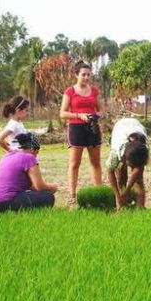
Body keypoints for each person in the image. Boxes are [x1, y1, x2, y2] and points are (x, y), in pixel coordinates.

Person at [59, 60, 106, 206]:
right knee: (74, 164)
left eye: (88, 75)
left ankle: (98, 193)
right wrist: (79, 115)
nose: (86, 77)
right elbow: (62, 113)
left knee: (96, 162)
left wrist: (96, 116)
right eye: (83, 74)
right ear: (76, 75)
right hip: (76, 129)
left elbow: (101, 110)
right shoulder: (70, 92)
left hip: (92, 128)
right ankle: (72, 195)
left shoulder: (95, 91)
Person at [0, 132, 57, 213]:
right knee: (48, 196)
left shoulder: (8, 156)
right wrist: (52, 188)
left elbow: (29, 186)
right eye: (37, 152)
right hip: (2, 203)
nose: (36, 155)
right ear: (32, 149)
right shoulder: (29, 157)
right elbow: (39, 186)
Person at [106, 117, 150, 209]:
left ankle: (140, 209)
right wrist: (118, 195)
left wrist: (127, 190)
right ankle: (121, 208)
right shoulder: (116, 149)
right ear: (125, 158)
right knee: (121, 176)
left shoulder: (143, 148)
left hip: (136, 127)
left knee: (139, 180)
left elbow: (138, 169)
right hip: (120, 127)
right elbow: (110, 171)